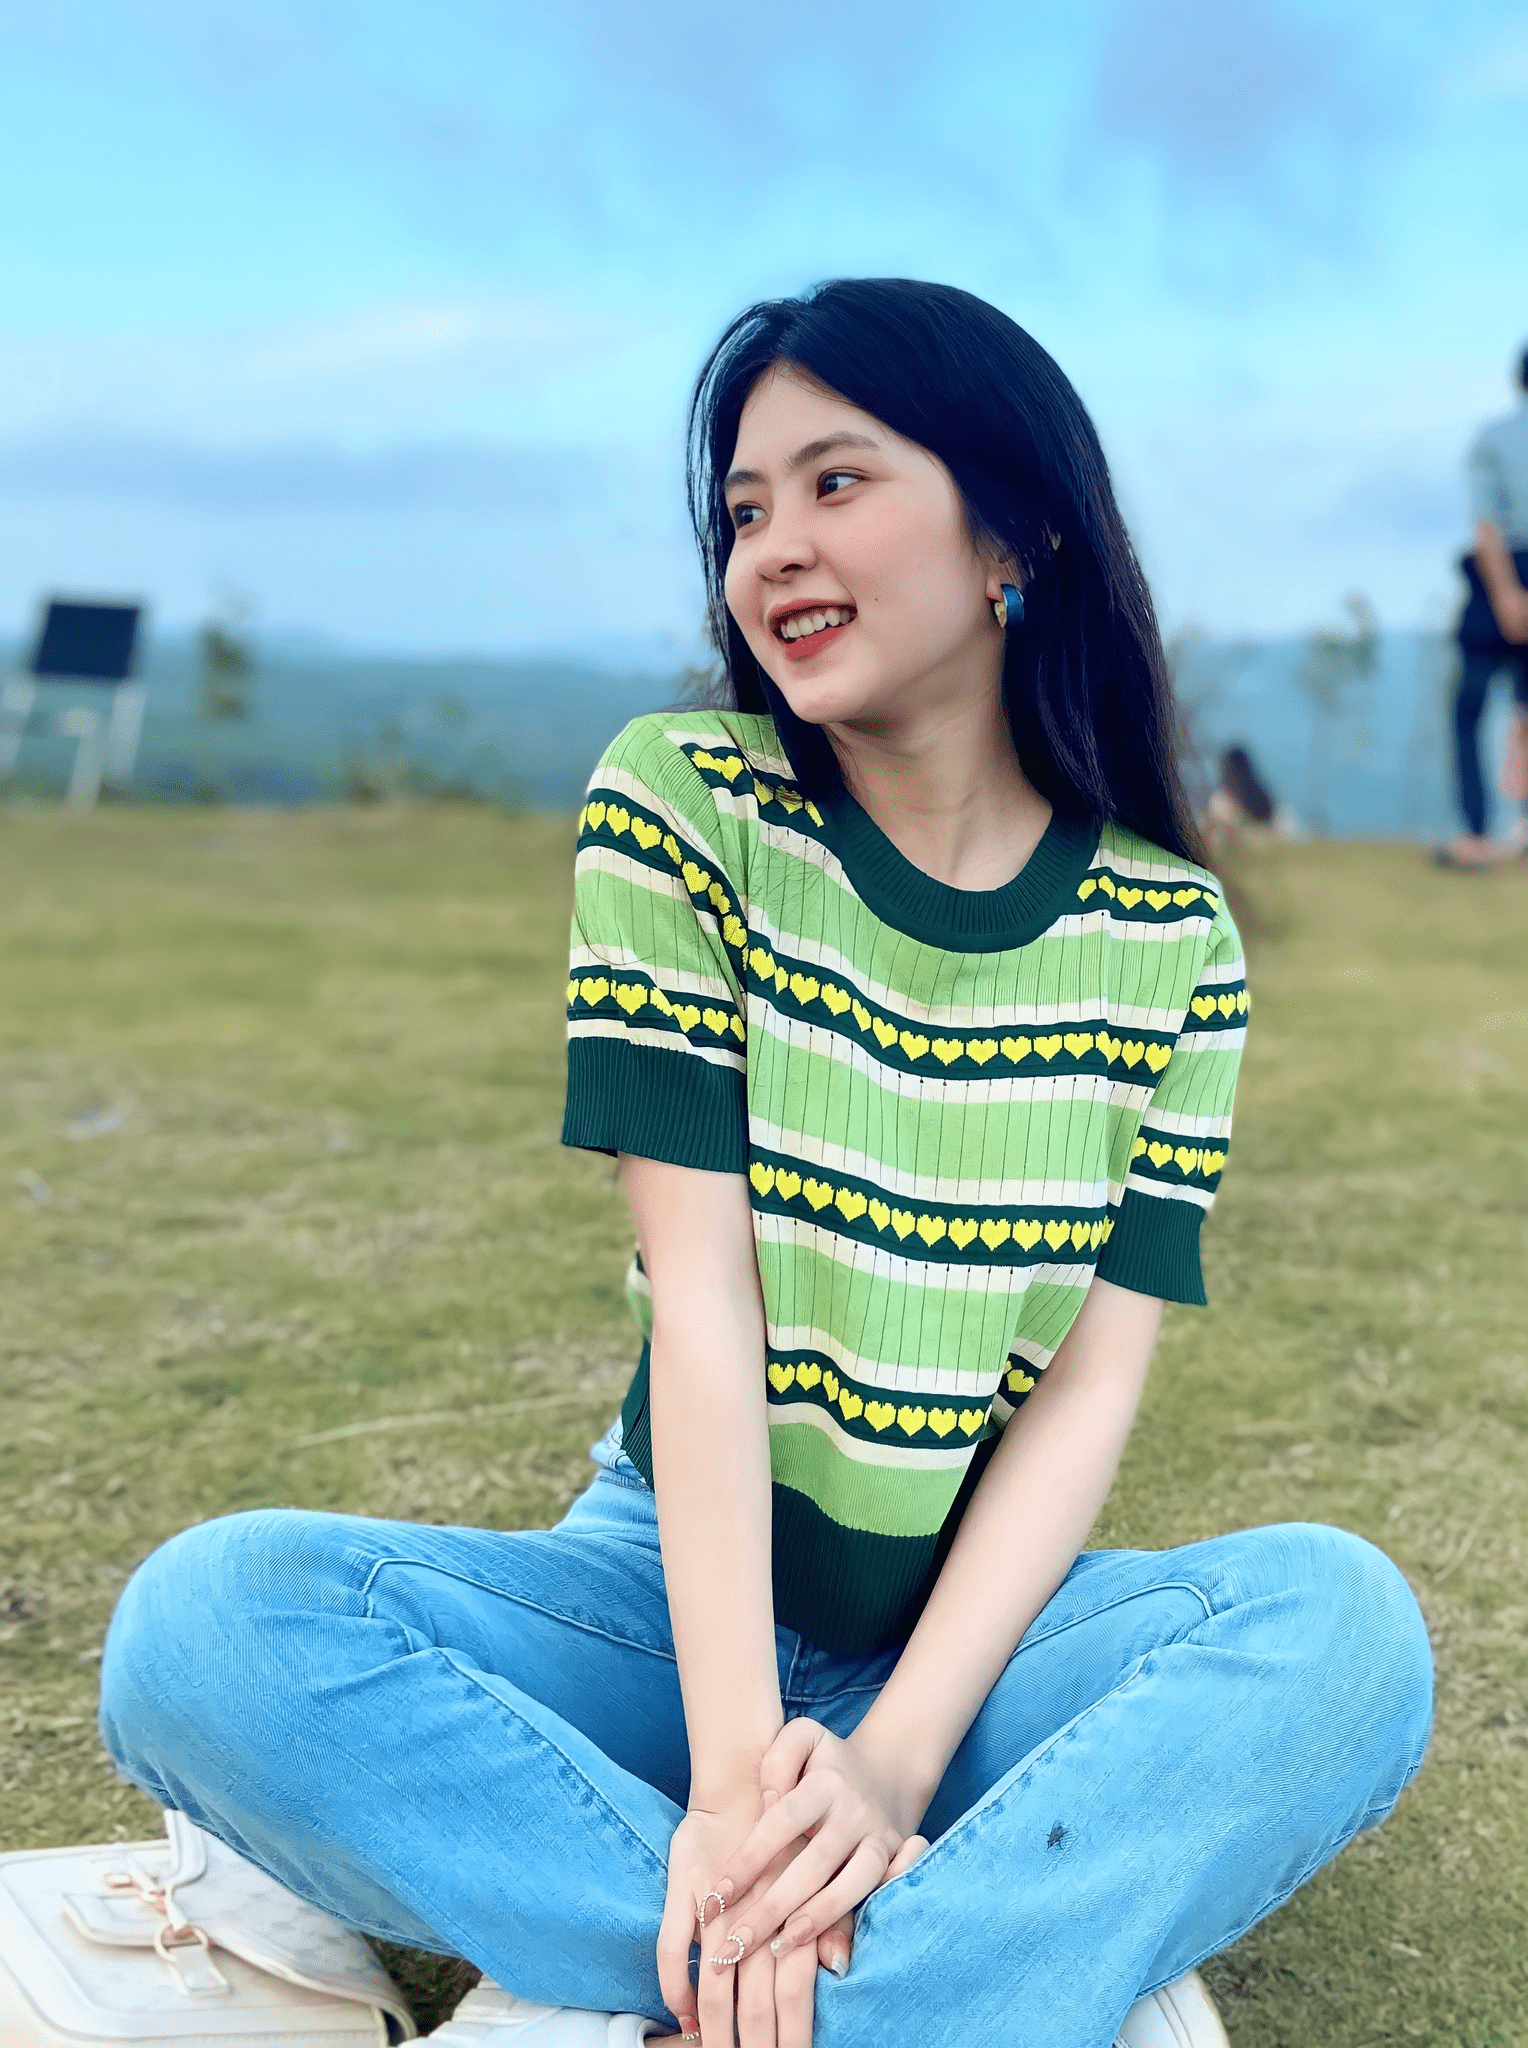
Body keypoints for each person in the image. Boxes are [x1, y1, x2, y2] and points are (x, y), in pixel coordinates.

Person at [97, 280, 1433, 2048]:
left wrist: (890, 1763)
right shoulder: (685, 807)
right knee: (207, 1630)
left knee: (1345, 1633)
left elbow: (1090, 1387)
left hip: (968, 1650)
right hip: (662, 1610)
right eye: (741, 511)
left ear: (1012, 534)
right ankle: (938, 1967)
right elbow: (706, 1309)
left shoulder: (1170, 936)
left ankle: (713, 1967)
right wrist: (739, 1789)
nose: (771, 547)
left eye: (835, 481)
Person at [1440, 345, 1528, 868]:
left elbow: (1487, 524)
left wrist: (1507, 595)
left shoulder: (1496, 438)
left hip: (1502, 576)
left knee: (1469, 708)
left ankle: (1475, 833)